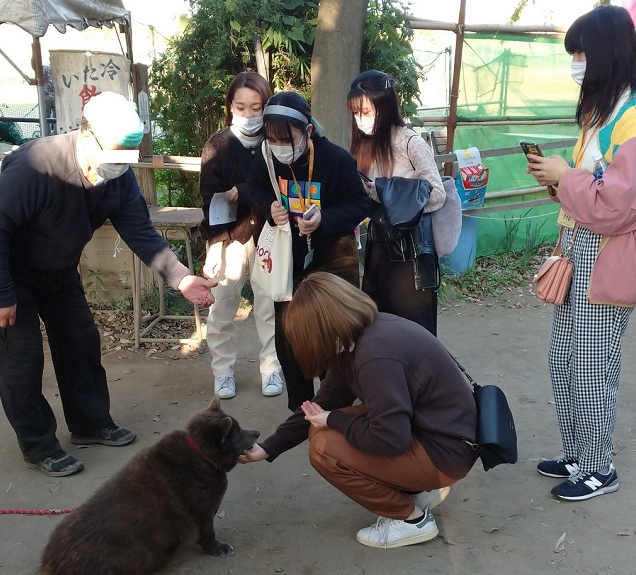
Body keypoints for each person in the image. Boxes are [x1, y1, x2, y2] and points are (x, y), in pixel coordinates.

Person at [0, 91, 218, 477]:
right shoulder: (36, 166)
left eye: (128, 156)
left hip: (58, 266)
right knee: (22, 358)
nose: (122, 164)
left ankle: (89, 424)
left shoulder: (119, 179)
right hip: (7, 266)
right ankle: (38, 445)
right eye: (116, 153)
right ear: (87, 134)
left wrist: (181, 277)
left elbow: (140, 231)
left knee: (80, 339)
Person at [525, 5, 636, 501]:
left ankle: (598, 466)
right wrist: (558, 179)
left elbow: (621, 203)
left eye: (582, 53)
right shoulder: (602, 110)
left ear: (606, 52)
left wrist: (566, 176)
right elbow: (593, 188)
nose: (577, 63)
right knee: (563, 358)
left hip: (610, 255)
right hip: (580, 248)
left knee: (590, 367)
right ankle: (577, 452)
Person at [239, 272, 478, 549]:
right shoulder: (361, 336)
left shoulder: (373, 356)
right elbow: (321, 403)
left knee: (324, 448)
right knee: (323, 430)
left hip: (445, 453)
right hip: (439, 434)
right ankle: (415, 489)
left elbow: (390, 439)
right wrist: (268, 448)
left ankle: (411, 520)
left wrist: (332, 419)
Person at [248, 91, 373, 411]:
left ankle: (342, 402)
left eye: (285, 138)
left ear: (306, 131)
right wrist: (270, 205)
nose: (277, 146)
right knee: (289, 333)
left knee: (337, 331)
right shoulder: (266, 155)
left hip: (334, 255)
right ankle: (301, 407)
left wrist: (325, 218)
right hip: (289, 256)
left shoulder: (336, 159)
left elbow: (360, 204)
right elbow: (254, 187)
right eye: (271, 138)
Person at [199, 72, 283, 400]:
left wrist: (243, 190)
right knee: (222, 306)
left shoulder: (276, 142)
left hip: (271, 235)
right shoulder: (217, 144)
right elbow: (210, 198)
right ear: (230, 106)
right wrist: (216, 246)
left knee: (269, 305)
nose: (248, 115)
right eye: (240, 107)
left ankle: (272, 367)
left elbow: (279, 187)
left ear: (267, 107)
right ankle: (223, 372)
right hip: (229, 237)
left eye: (257, 108)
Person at [347, 70, 446, 336]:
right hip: (378, 245)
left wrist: (384, 192)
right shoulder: (361, 144)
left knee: (414, 333)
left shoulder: (410, 142)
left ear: (385, 106)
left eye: (365, 112)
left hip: (411, 251)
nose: (360, 120)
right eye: (355, 113)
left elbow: (437, 194)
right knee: (377, 326)